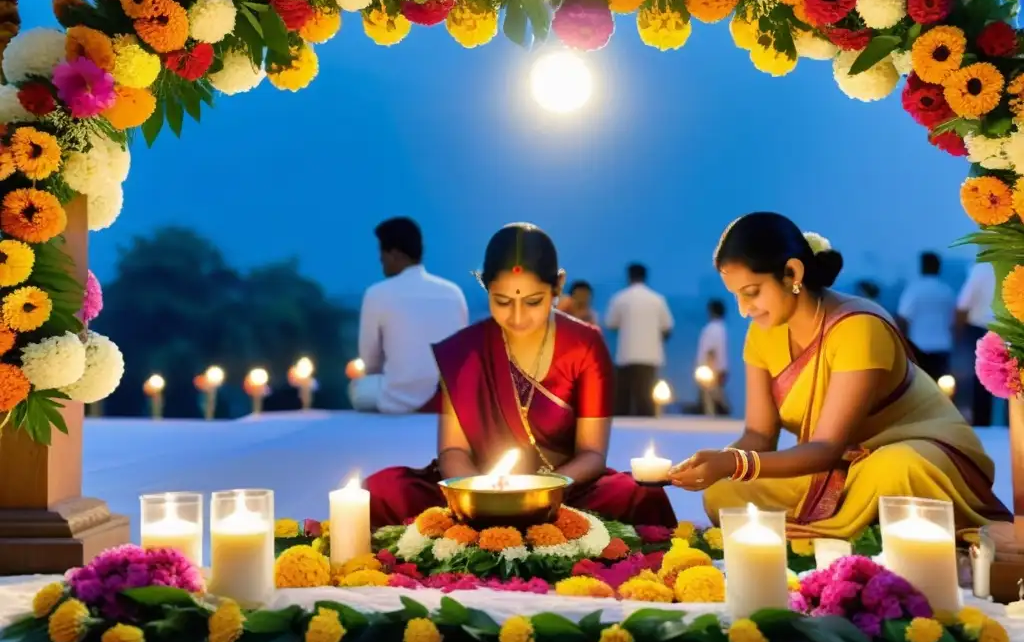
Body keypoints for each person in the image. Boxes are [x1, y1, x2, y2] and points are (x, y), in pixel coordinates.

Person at [668, 213, 1010, 539]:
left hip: (914, 455)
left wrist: (735, 462)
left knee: (895, 468)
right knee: (723, 491)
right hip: (839, 472)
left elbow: (827, 447)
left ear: (792, 273)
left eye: (752, 292)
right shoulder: (761, 333)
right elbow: (758, 435)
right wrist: (717, 464)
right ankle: (847, 527)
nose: (744, 309)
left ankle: (832, 532)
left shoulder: (859, 326)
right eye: (736, 296)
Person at [366, 223, 677, 529]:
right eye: (502, 301)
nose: (516, 317)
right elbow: (453, 450)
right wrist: (478, 494)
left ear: (557, 285)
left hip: (563, 493)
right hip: (474, 490)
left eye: (533, 301)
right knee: (378, 493)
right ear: (485, 286)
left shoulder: (585, 344)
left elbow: (592, 453)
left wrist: (539, 491)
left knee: (641, 496)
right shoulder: (466, 349)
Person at [349, 217, 468, 414]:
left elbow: (370, 362)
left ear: (394, 254)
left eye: (382, 253)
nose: (380, 260)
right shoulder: (453, 293)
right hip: (447, 401)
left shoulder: (377, 294)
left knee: (359, 388)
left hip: (396, 401)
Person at [605, 263, 674, 417]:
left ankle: (621, 437)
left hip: (626, 355)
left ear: (628, 276)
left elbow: (611, 324)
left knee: (622, 402)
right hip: (650, 356)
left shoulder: (620, 298)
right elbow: (668, 327)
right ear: (645, 277)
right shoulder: (657, 299)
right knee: (646, 402)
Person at [897, 252, 956, 382]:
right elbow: (954, 320)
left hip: (918, 347)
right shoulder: (947, 291)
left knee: (921, 386)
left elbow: (903, 318)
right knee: (942, 386)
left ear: (921, 267)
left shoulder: (914, 290)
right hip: (943, 347)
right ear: (939, 267)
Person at [956, 262, 996, 427]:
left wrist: (957, 335)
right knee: (1013, 382)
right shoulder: (1016, 264)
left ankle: (981, 423)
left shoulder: (982, 268)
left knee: (981, 382)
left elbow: (963, 305)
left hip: (980, 330)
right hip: (1010, 329)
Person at [695, 299, 730, 414]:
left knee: (710, 401)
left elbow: (711, 351)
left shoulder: (712, 328)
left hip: (711, 371)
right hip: (719, 369)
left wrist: (708, 371)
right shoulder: (722, 328)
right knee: (716, 397)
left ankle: (716, 417)